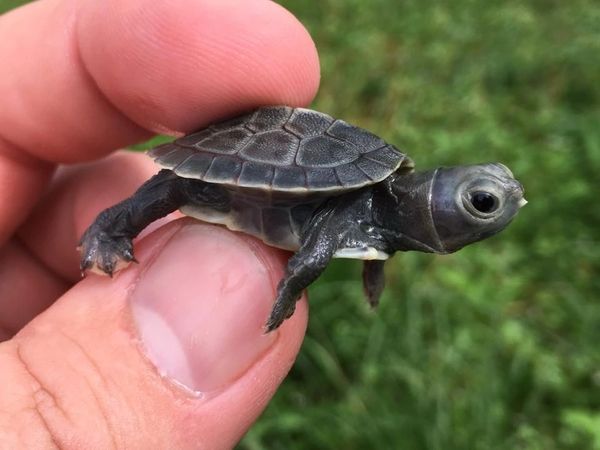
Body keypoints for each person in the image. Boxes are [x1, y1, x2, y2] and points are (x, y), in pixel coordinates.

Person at [0, 0, 320, 447]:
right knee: (173, 187)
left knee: (179, 188)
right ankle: (109, 230)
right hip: (233, 162)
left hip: (258, 177)